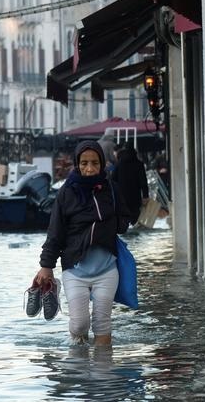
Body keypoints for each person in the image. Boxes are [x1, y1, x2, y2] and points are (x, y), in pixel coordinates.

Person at [34, 140, 131, 346]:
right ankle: (79, 369)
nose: (90, 168)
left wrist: (112, 224)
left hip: (106, 270)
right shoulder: (66, 193)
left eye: (95, 163)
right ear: (77, 164)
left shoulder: (111, 189)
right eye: (85, 163)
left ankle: (102, 372)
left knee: (102, 324)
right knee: (79, 325)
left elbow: (124, 220)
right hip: (75, 271)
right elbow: (55, 233)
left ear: (102, 163)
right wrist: (46, 266)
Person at [111, 141, 149, 224]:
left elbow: (113, 179)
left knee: (124, 221)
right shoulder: (139, 164)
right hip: (135, 197)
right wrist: (146, 196)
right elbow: (143, 181)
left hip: (121, 197)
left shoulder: (119, 164)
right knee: (134, 221)